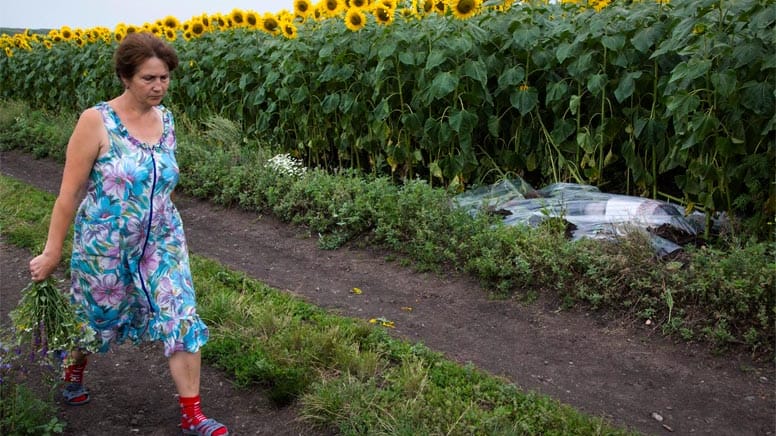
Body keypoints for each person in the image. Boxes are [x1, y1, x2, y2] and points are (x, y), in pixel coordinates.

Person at [28, 31, 228, 436]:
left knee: (179, 312)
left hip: (162, 238)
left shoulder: (167, 120)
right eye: (148, 79)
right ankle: (73, 374)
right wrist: (52, 252)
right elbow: (69, 195)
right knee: (94, 318)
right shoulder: (96, 121)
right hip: (105, 242)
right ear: (125, 77)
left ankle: (193, 414)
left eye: (165, 78)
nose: (158, 87)